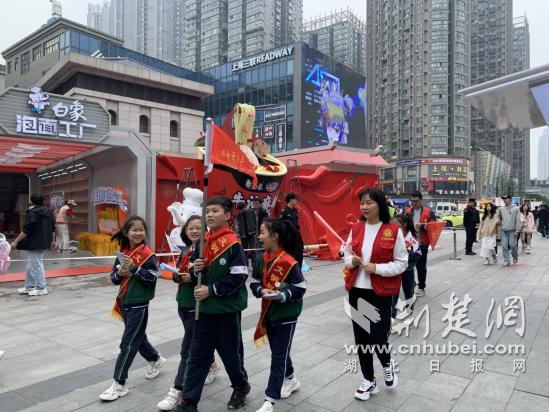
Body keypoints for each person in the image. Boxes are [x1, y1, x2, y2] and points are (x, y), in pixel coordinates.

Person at [178, 196, 250, 412]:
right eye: (207, 211)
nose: (209, 214)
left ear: (227, 215)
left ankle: (241, 386)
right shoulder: (202, 243)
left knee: (231, 356)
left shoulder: (233, 243)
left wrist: (211, 290)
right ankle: (189, 402)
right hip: (202, 311)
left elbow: (239, 276)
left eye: (215, 211)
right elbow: (194, 273)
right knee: (197, 357)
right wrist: (196, 270)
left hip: (226, 311)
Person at [344, 188, 408, 401]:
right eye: (362, 203)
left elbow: (402, 262)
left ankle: (387, 366)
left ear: (380, 205)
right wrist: (351, 261)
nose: (364, 207)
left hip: (380, 293)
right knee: (362, 338)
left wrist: (378, 268)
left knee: (378, 336)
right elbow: (346, 255)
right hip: (357, 291)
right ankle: (368, 380)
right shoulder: (356, 228)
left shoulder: (393, 231)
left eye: (369, 202)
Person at [156, 215, 221, 411]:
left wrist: (191, 277)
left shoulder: (207, 251)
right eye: (190, 228)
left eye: (198, 227)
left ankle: (177, 391)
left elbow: (209, 276)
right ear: (185, 231)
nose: (194, 231)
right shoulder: (185, 251)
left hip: (197, 306)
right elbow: (179, 273)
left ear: (205, 231)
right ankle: (211, 364)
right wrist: (178, 276)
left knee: (187, 350)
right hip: (183, 303)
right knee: (195, 343)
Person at [100, 216, 166, 402]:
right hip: (124, 302)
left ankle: (119, 383)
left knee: (128, 343)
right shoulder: (123, 252)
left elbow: (152, 277)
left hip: (139, 304)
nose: (138, 233)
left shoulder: (148, 254)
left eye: (141, 230)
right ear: (126, 233)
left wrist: (135, 269)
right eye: (134, 230)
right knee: (138, 336)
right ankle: (155, 359)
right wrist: (119, 273)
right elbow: (114, 278)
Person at [250, 218, 307, 412]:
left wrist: (283, 295)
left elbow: (300, 287)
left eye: (262, 232)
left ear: (274, 236)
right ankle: (291, 379)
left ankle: (269, 400)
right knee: (279, 352)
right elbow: (254, 282)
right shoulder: (261, 259)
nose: (259, 237)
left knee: (278, 356)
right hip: (270, 312)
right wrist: (261, 290)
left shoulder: (288, 262)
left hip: (287, 314)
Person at [10, 193, 55, 296]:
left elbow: (26, 230)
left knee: (35, 265)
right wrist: (53, 241)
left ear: (32, 201)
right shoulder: (49, 212)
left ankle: (41, 288)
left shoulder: (32, 213)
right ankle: (29, 286)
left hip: (35, 242)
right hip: (44, 241)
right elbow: (53, 228)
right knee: (31, 265)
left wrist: (15, 241)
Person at [391, 214, 420, 324]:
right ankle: (392, 316)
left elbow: (418, 254)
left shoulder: (412, 237)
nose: (395, 228)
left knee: (408, 292)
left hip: (408, 270)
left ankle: (409, 315)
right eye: (393, 225)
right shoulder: (391, 236)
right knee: (393, 292)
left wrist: (407, 253)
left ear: (405, 224)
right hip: (395, 269)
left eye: (397, 226)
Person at [406, 191, 435, 297]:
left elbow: (434, 226)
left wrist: (423, 226)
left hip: (422, 243)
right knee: (409, 265)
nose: (414, 203)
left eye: (416, 201)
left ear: (421, 200)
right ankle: (411, 283)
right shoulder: (408, 211)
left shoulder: (429, 212)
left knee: (421, 266)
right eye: (412, 201)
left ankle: (421, 287)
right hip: (410, 242)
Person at [280, 193, 304, 268]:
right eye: (295, 199)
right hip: (289, 238)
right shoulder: (284, 212)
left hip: (297, 236)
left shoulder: (295, 210)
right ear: (291, 200)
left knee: (299, 255)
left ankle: (299, 272)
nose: (296, 201)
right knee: (290, 257)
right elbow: (282, 226)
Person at [497, 195, 522, 266]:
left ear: (510, 199)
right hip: (503, 230)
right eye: (503, 199)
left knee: (512, 245)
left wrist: (517, 230)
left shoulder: (516, 208)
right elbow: (499, 217)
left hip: (512, 230)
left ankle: (515, 256)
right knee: (504, 246)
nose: (504, 200)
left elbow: (518, 220)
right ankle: (506, 260)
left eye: (506, 198)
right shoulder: (501, 209)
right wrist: (499, 221)